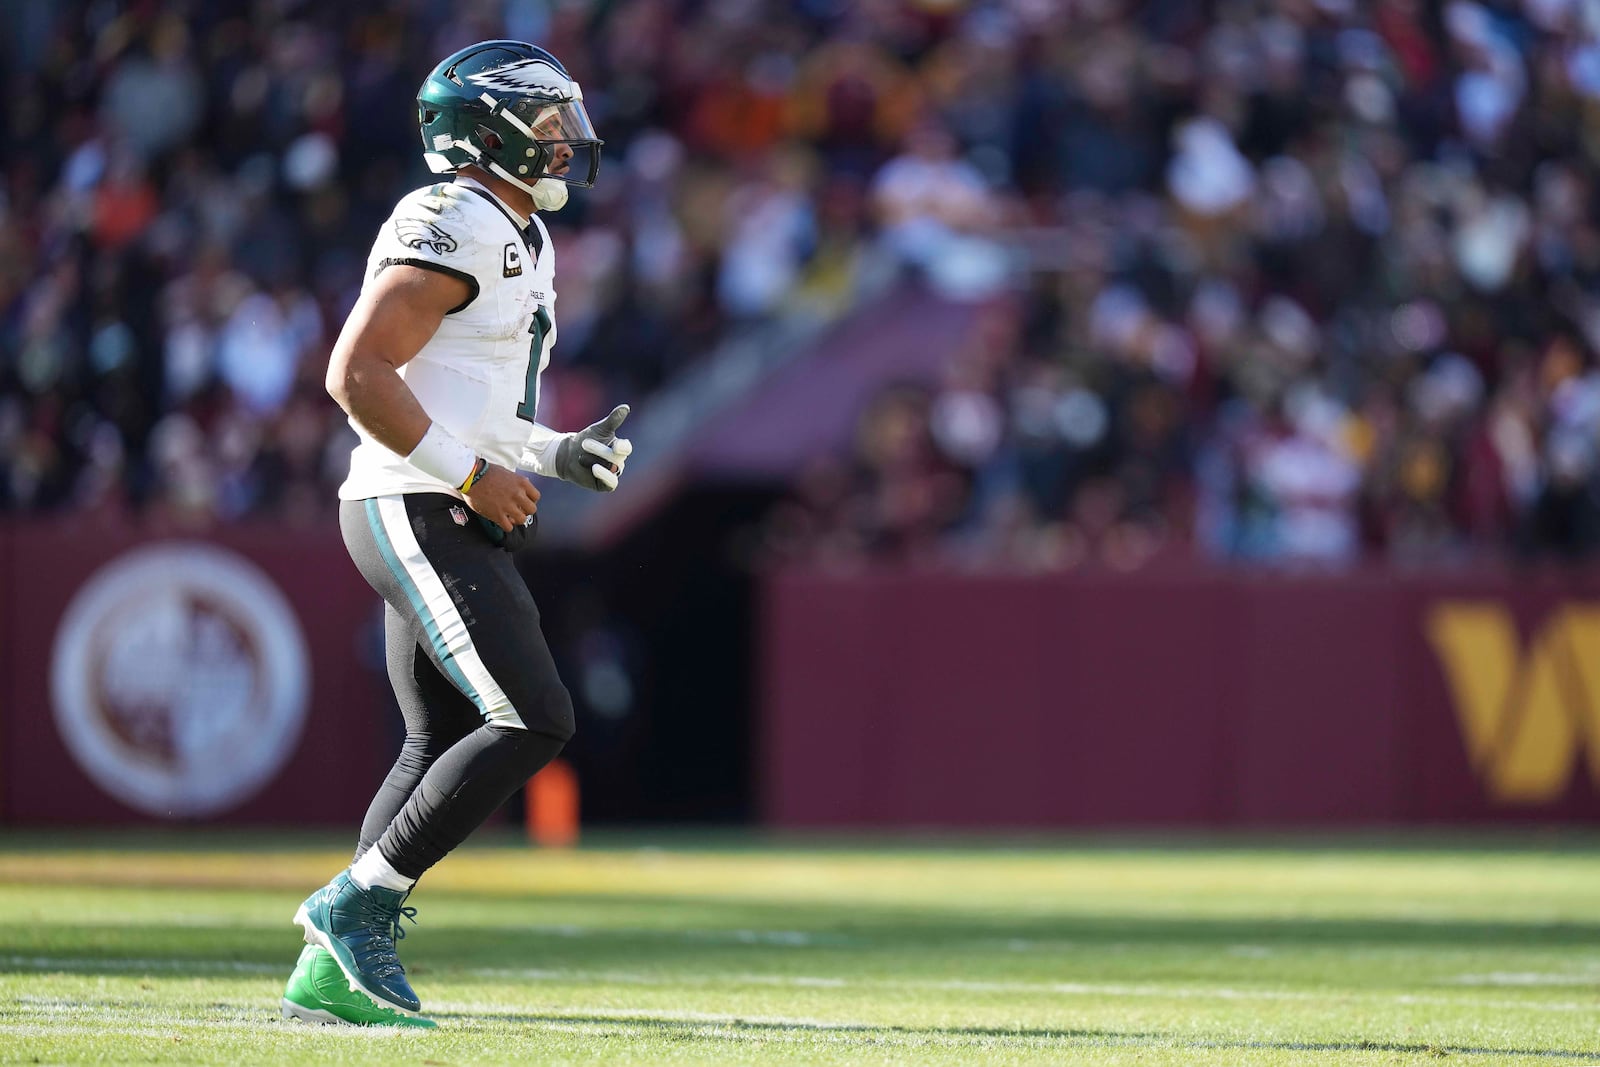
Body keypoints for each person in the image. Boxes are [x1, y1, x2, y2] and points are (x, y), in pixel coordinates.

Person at [279, 40, 632, 1028]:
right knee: (533, 714)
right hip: (413, 499)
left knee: (439, 733)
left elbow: (473, 400)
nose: (567, 138)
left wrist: (560, 454)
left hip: (439, 494)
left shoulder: (517, 230)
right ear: (487, 129)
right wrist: (471, 476)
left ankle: (330, 970)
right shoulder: (452, 219)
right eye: (546, 120)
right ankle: (354, 905)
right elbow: (356, 373)